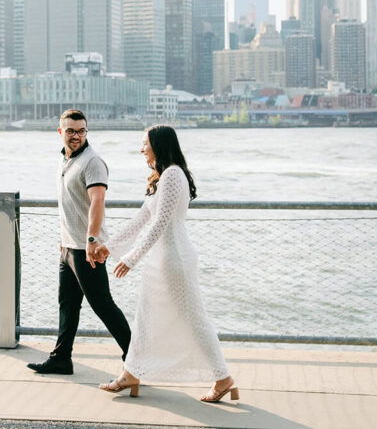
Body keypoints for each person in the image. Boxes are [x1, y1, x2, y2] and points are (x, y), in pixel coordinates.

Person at [96, 125, 238, 402]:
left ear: (159, 145)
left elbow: (160, 223)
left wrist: (131, 258)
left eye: (145, 143)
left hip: (175, 259)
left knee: (193, 318)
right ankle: (131, 374)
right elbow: (141, 219)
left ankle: (223, 378)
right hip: (161, 259)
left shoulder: (173, 174)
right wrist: (108, 248)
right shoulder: (162, 177)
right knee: (145, 318)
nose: (141, 149)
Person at [27, 109, 132, 375]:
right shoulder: (65, 159)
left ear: (87, 132)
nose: (76, 136)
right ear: (60, 132)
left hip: (88, 249)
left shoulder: (92, 161)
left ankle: (136, 359)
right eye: (71, 131)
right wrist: (65, 242)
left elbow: (98, 201)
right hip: (69, 248)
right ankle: (61, 358)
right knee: (68, 304)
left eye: (81, 130)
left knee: (102, 305)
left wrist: (92, 241)